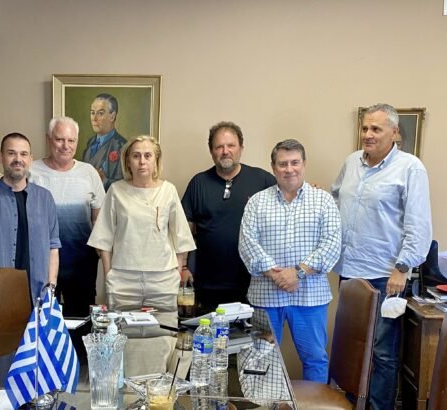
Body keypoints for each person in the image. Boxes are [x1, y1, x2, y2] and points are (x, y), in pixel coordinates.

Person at [331, 103, 432, 410]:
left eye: (376, 128)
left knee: (382, 353)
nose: (368, 134)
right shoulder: (352, 162)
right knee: (352, 349)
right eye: (365, 128)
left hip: (385, 276)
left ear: (394, 132)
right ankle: (353, 404)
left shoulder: (410, 168)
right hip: (350, 272)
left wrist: (402, 268)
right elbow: (336, 199)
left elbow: (418, 224)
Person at [239, 139, 341, 383]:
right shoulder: (256, 202)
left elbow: (331, 244)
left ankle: (313, 403)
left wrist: (298, 273)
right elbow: (247, 244)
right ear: (273, 167)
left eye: (295, 162)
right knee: (260, 360)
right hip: (265, 297)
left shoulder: (323, 201)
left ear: (304, 164)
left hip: (310, 297)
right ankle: (266, 403)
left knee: (315, 359)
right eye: (283, 164)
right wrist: (277, 275)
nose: (289, 169)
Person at [88, 136, 195, 330]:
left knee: (163, 333)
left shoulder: (168, 191)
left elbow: (182, 239)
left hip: (162, 280)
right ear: (128, 161)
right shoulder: (116, 191)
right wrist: (109, 274)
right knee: (121, 334)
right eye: (136, 156)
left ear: (156, 160)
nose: (142, 161)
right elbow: (103, 239)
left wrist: (176, 273)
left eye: (147, 156)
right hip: (123, 280)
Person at [182, 121, 276, 313]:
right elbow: (184, 232)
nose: (225, 151)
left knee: (251, 333)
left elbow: (289, 201)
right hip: (207, 286)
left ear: (241, 148)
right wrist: (183, 267)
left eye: (231, 145)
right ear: (211, 151)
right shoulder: (198, 183)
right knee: (207, 331)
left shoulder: (263, 180)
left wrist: (310, 190)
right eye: (219, 146)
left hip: (254, 284)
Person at [0, 132, 60, 301]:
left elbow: (53, 246)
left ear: (30, 159)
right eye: (11, 153)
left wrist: (51, 287)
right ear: (0, 156)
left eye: (23, 154)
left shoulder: (45, 198)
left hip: (38, 297)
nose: (18, 159)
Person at [29, 117, 105, 316]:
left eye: (71, 140)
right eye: (59, 139)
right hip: (41, 263)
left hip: (81, 263)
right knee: (43, 318)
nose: (66, 146)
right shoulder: (31, 171)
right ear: (48, 139)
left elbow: (99, 220)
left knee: (81, 320)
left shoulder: (88, 173)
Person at [82, 93, 127, 191]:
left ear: (112, 116)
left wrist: (103, 180)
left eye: (100, 113)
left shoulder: (123, 147)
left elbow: (126, 187)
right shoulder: (90, 143)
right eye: (92, 113)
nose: (94, 119)